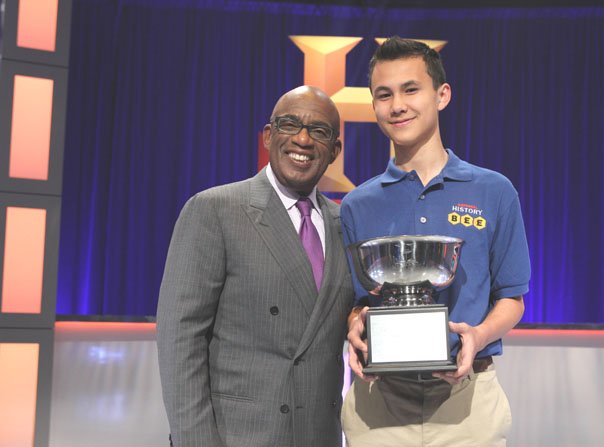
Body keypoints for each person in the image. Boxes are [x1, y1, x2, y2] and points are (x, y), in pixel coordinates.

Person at [340, 37, 531, 446]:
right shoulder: (357, 204)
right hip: (379, 405)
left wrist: (477, 336)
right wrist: (355, 325)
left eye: (411, 89)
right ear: (373, 106)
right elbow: (356, 299)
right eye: (384, 94)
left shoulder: (494, 191)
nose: (397, 105)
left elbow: (512, 299)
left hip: (468, 406)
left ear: (441, 95)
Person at [156, 85, 354, 447]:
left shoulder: (346, 225)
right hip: (237, 437)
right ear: (268, 136)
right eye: (290, 124)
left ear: (335, 151)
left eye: (319, 131)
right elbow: (179, 340)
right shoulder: (215, 211)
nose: (303, 139)